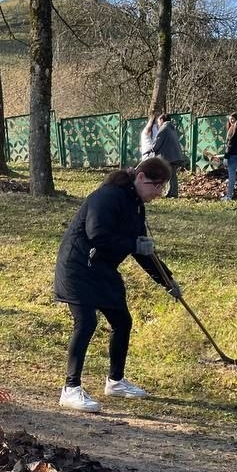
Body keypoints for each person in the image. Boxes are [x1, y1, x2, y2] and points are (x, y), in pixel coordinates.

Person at [54, 156, 181, 413]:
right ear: (141, 178)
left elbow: (143, 251)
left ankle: (115, 381)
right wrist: (133, 244)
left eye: (163, 187)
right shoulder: (108, 197)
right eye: (157, 185)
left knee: (122, 321)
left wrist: (167, 280)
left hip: (102, 269)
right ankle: (70, 389)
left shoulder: (136, 205)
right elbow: (97, 235)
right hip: (77, 266)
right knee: (86, 321)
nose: (158, 193)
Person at [149, 113, 184, 198]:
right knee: (172, 175)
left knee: (168, 175)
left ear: (162, 120)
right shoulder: (172, 128)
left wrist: (151, 149)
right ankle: (174, 192)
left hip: (168, 156)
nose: (158, 123)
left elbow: (157, 142)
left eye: (158, 121)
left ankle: (170, 193)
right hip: (175, 155)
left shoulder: (163, 128)